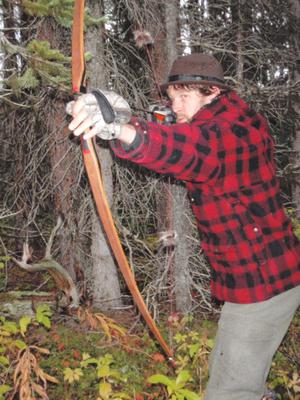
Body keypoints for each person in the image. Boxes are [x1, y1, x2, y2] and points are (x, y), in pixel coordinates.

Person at [67, 53, 300, 400]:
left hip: (261, 285)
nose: (175, 105)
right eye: (172, 96)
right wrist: (129, 119)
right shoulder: (242, 118)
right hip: (269, 273)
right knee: (239, 376)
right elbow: (182, 134)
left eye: (185, 96)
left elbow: (187, 148)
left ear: (212, 93)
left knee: (229, 392)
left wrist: (120, 129)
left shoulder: (226, 135)